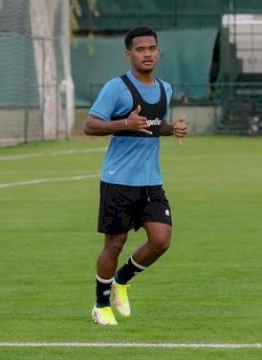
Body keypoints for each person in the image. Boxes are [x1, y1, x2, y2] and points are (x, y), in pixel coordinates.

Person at [83, 26, 188, 326]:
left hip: (150, 182)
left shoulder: (164, 89)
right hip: (118, 181)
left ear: (158, 52)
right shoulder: (116, 88)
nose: (147, 54)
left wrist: (173, 129)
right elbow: (90, 126)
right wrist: (124, 123)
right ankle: (100, 305)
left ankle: (122, 279)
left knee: (161, 239)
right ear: (128, 54)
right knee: (114, 244)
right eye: (140, 50)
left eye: (151, 49)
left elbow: (155, 124)